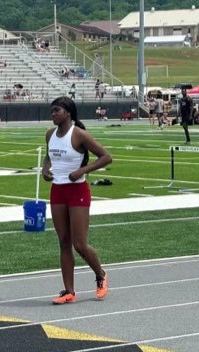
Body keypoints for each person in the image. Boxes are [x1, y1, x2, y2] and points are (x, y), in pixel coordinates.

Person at [42, 96, 112, 305]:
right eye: (51, 111)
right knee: (63, 242)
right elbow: (48, 157)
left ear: (68, 113)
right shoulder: (49, 135)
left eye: (57, 111)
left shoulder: (79, 134)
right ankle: (69, 291)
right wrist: (45, 170)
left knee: (79, 244)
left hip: (78, 191)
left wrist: (81, 170)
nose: (53, 114)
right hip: (58, 191)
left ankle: (100, 274)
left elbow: (106, 157)